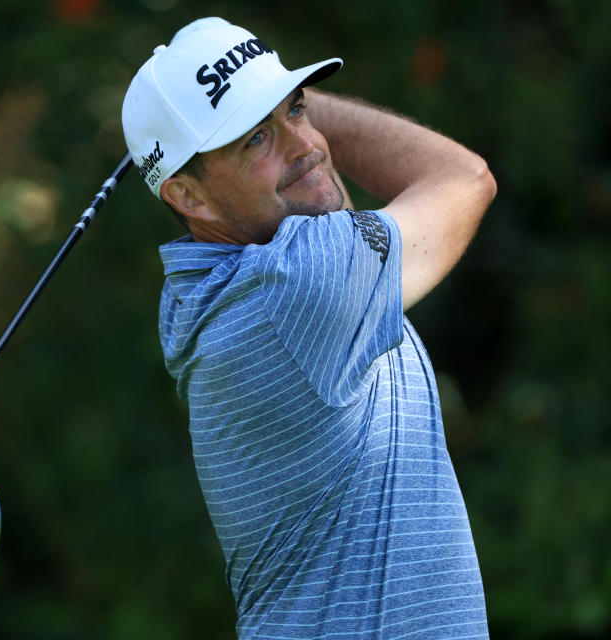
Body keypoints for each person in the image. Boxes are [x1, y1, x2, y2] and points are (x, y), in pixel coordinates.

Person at [122, 17, 497, 639]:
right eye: (254, 140)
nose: (304, 145)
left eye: (297, 110)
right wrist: (295, 102)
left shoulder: (207, 289)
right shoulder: (298, 289)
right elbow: (465, 179)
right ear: (189, 197)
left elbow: (319, 189)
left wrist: (262, 105)